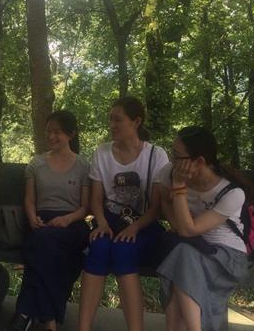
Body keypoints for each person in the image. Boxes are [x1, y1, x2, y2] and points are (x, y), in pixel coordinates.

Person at [78, 96, 169, 331]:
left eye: (118, 120)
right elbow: (96, 199)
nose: (112, 125)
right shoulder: (102, 152)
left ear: (136, 122)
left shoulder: (156, 155)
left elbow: (156, 208)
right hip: (108, 220)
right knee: (98, 247)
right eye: (110, 119)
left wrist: (134, 228)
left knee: (122, 250)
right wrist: (100, 223)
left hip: (143, 224)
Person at [155, 126, 249, 331]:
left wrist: (179, 186)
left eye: (176, 156)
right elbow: (164, 200)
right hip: (190, 250)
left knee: (182, 258)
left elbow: (188, 230)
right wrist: (175, 222)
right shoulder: (168, 172)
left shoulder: (232, 193)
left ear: (198, 161)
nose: (171, 160)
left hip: (226, 255)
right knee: (183, 257)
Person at [8, 110, 90, 331]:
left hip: (72, 224)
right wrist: (31, 216)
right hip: (42, 221)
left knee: (40, 245)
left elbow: (85, 207)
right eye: (49, 132)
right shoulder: (36, 164)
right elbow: (29, 199)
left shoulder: (83, 166)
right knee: (48, 249)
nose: (51, 137)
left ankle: (26, 312)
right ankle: (50, 321)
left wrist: (67, 219)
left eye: (57, 132)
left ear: (70, 134)